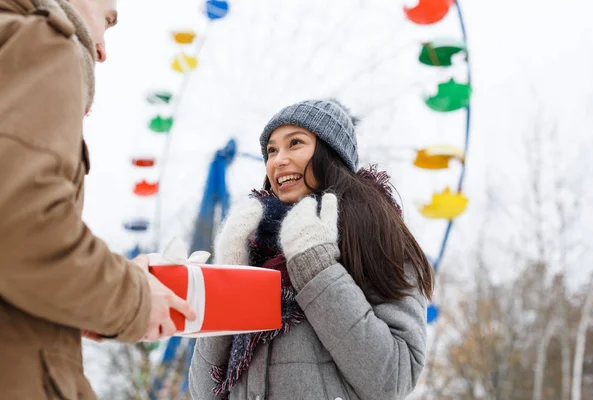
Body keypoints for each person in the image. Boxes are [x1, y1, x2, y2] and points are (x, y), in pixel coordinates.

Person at [0, 0, 196, 398]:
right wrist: (136, 297)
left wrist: (89, 295)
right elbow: (22, 230)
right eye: (107, 21)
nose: (103, 50)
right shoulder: (39, 41)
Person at [189, 99, 434, 400]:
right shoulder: (256, 249)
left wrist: (316, 265)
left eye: (295, 144)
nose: (278, 160)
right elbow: (204, 391)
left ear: (330, 154)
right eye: (271, 150)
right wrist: (231, 275)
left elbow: (394, 377)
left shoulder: (375, 238)